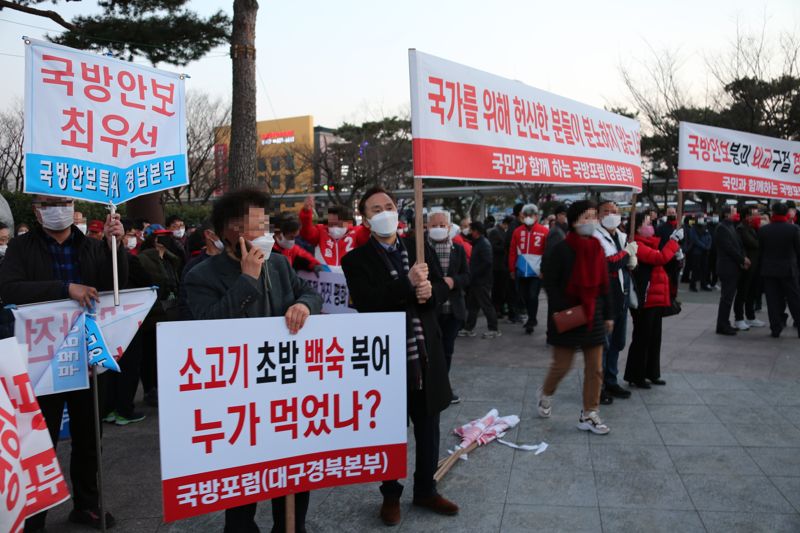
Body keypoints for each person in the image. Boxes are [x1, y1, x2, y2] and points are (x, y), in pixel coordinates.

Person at [185, 189, 321, 533]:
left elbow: (308, 292)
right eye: (255, 225)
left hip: (285, 387)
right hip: (238, 397)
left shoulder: (277, 263)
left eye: (266, 223)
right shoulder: (201, 276)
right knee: (243, 480)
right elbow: (207, 328)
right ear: (232, 231)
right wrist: (247, 279)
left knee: (291, 472)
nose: (265, 232)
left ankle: (291, 527)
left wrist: (303, 305)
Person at [0, 195, 127, 530]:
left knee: (89, 437)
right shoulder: (21, 247)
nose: (59, 208)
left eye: (65, 201)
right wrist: (64, 287)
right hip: (41, 359)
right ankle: (34, 511)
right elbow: (10, 289)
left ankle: (86, 503)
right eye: (50, 202)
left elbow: (117, 286)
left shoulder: (92, 245)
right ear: (38, 210)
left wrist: (117, 247)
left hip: (85, 356)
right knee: (39, 437)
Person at [342, 186, 458, 526]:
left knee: (429, 426)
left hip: (426, 351)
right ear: (365, 219)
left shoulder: (418, 248)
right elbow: (368, 302)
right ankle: (390, 494)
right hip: (387, 357)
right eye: (375, 209)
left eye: (389, 206)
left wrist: (429, 291)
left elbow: (440, 288)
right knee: (390, 429)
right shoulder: (355, 260)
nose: (384, 213)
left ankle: (426, 488)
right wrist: (408, 284)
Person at [538, 200, 612, 435]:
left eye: (593, 216)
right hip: (569, 316)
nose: (591, 221)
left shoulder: (598, 247)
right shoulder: (561, 248)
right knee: (562, 365)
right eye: (586, 217)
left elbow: (604, 285)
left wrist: (608, 314)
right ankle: (545, 394)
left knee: (595, 368)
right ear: (573, 221)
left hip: (594, 315)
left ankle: (590, 413)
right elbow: (550, 282)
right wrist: (566, 310)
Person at [624, 213, 680, 388]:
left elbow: (664, 261)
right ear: (638, 227)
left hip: (655, 298)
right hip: (646, 298)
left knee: (655, 338)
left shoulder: (651, 244)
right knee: (642, 338)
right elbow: (659, 258)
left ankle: (652, 372)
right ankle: (636, 375)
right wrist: (673, 242)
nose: (651, 226)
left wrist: (677, 253)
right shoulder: (637, 245)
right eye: (647, 223)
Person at [594, 200, 636, 403]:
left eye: (615, 212)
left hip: (622, 296)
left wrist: (631, 260)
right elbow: (609, 264)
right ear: (598, 215)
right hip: (604, 299)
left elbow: (623, 264)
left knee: (617, 343)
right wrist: (627, 253)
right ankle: (598, 387)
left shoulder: (621, 235)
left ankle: (611, 380)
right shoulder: (594, 237)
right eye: (607, 211)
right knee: (602, 345)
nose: (611, 215)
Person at [427, 210, 469, 403]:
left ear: (449, 228)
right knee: (429, 350)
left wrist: (453, 281)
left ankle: (444, 387)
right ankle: (429, 386)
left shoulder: (458, 249)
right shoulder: (421, 249)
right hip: (430, 309)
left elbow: (467, 276)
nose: (438, 229)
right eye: (434, 225)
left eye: (442, 225)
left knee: (447, 350)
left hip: (453, 309)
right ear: (427, 227)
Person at [758, 202, 800, 338]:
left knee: (773, 300)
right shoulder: (794, 229)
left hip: (769, 270)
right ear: (786, 213)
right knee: (794, 299)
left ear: (773, 213)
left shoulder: (764, 230)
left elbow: (761, 252)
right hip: (789, 270)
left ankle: (775, 328)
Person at [508, 204, 549, 334]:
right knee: (524, 296)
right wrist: (512, 269)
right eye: (525, 215)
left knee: (533, 295)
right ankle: (530, 317)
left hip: (536, 271)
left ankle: (532, 319)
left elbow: (547, 252)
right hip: (521, 269)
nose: (528, 218)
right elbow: (512, 251)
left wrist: (544, 270)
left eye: (531, 215)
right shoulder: (517, 231)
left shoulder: (544, 231)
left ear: (536, 216)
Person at [461, 221, 501, 339]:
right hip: (476, 281)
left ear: (476, 231)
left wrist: (474, 273)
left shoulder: (484, 244)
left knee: (486, 305)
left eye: (471, 230)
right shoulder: (478, 243)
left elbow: (487, 262)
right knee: (472, 306)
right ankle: (468, 328)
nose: (469, 232)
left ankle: (493, 329)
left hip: (482, 281)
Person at [714, 206, 750, 335]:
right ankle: (722, 325)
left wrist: (743, 258)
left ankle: (725, 323)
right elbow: (729, 248)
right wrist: (742, 260)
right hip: (727, 268)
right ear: (726, 214)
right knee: (726, 298)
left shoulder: (731, 226)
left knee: (728, 297)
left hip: (733, 267)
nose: (737, 214)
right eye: (734, 212)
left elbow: (738, 245)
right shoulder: (721, 228)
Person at [299, 196, 357, 271]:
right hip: (325, 277)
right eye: (332, 222)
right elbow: (306, 232)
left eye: (339, 222)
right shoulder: (320, 231)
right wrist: (306, 213)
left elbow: (367, 232)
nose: (335, 226)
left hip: (349, 277)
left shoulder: (356, 233)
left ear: (347, 221)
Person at [733, 207, 765, 330]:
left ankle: (750, 317)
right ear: (747, 216)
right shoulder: (741, 229)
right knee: (742, 293)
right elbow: (755, 244)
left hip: (754, 266)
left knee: (752, 293)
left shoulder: (751, 228)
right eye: (755, 215)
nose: (758, 217)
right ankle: (739, 318)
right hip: (746, 267)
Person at [489, 216, 511, 317]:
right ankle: (496, 309)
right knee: (497, 288)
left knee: (503, 288)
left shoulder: (504, 232)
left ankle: (501, 308)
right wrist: (505, 248)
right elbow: (493, 247)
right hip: (497, 266)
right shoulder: (495, 231)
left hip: (503, 265)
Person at [687, 216, 713, 292]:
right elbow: (695, 240)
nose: (701, 220)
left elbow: (709, 237)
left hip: (705, 252)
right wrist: (704, 246)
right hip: (696, 252)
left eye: (702, 218)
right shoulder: (693, 228)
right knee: (696, 269)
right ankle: (692, 285)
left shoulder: (705, 227)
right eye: (700, 218)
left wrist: (708, 246)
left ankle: (703, 284)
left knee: (704, 269)